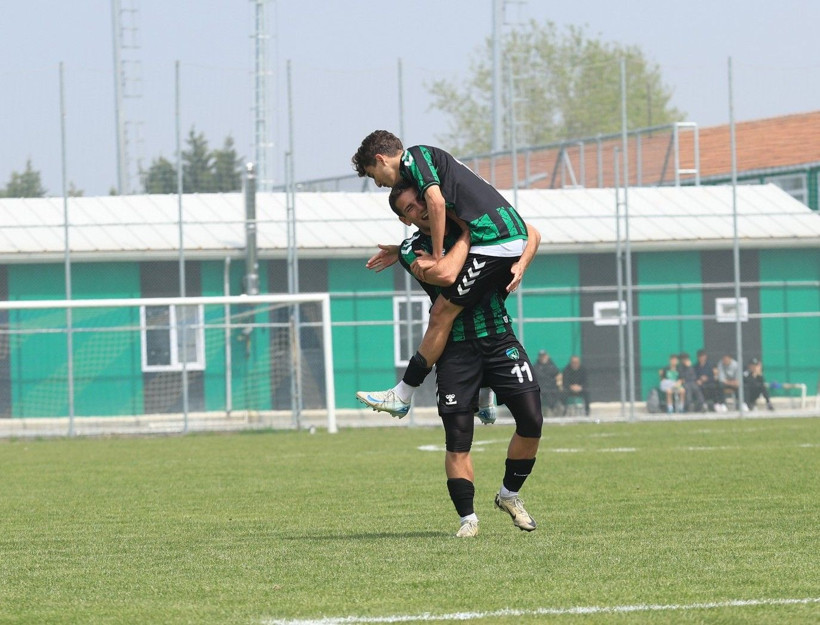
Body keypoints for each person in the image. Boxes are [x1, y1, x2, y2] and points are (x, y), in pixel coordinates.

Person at [365, 181, 544, 537]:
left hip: (497, 336)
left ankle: (509, 495)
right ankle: (468, 519)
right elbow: (446, 274)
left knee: (532, 420)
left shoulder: (472, 219)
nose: (419, 208)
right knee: (458, 440)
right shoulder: (413, 249)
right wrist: (465, 233)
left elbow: (530, 231)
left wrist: (521, 262)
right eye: (410, 209)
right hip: (456, 349)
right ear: (405, 219)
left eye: (420, 200)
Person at [352, 131, 529, 418]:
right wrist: (401, 250)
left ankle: (403, 394)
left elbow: (434, 202)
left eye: (374, 175)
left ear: (381, 159)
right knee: (459, 309)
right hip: (501, 239)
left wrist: (435, 255)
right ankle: (484, 394)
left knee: (441, 313)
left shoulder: (415, 157)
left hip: (495, 240)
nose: (379, 184)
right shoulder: (427, 164)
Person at [533, 350, 563, 416]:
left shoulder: (552, 365)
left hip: (552, 387)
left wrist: (560, 384)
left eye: (544, 356)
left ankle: (555, 410)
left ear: (547, 356)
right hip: (541, 388)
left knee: (557, 394)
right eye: (541, 356)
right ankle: (545, 411)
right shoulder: (536, 367)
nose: (543, 357)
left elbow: (558, 375)